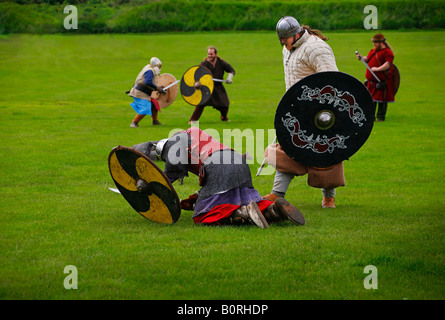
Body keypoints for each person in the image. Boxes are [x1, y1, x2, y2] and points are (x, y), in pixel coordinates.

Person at [132, 127, 305, 228]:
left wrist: (152, 185)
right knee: (239, 197)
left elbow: (167, 176)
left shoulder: (174, 142)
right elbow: (206, 178)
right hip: (238, 163)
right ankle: (273, 210)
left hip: (221, 166)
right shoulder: (192, 133)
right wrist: (194, 198)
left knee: (204, 215)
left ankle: (242, 213)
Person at [262, 16, 345, 209]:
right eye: (281, 39)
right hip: (296, 111)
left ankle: (329, 197)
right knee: (288, 149)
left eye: (285, 39)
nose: (283, 43)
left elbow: (332, 82)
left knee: (327, 153)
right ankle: (277, 193)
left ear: (295, 34)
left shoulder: (317, 48)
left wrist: (323, 112)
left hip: (320, 114)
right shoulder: (287, 49)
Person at [189, 47, 235, 123]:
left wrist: (229, 78)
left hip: (218, 87)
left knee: (225, 104)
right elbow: (197, 74)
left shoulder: (221, 62)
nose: (209, 55)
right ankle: (193, 120)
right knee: (201, 104)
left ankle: (224, 118)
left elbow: (231, 70)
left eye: (211, 54)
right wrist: (198, 83)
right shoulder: (204, 64)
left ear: (215, 54)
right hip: (207, 87)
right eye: (208, 54)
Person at [356, 33, 395, 122]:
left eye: (375, 42)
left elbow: (388, 64)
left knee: (381, 101)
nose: (374, 44)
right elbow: (367, 59)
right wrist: (361, 58)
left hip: (381, 82)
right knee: (371, 100)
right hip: (371, 81)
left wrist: (378, 69)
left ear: (381, 42)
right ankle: (371, 117)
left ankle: (381, 118)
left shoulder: (388, 52)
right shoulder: (373, 51)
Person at [128, 57, 165, 127]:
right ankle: (134, 123)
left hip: (144, 92)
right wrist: (157, 88)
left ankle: (155, 121)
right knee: (145, 109)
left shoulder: (150, 69)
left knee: (154, 104)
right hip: (140, 92)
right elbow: (148, 82)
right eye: (159, 66)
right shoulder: (150, 71)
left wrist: (158, 89)